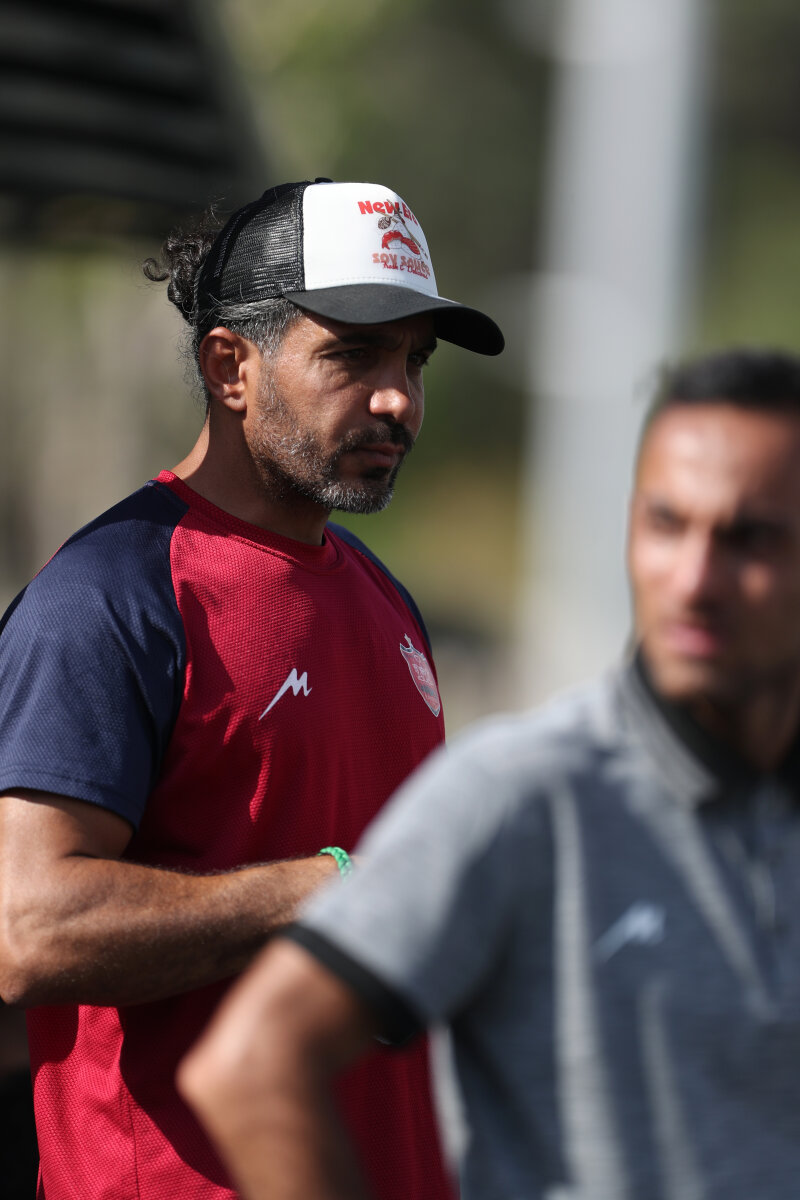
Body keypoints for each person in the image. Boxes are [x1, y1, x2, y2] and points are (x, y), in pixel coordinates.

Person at [180, 347, 800, 1200]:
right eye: (667, 524)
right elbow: (252, 1065)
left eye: (749, 539)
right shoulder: (521, 793)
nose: (694, 579)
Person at [0, 178, 504, 1200]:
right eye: (353, 356)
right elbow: (31, 929)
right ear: (229, 367)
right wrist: (318, 893)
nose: (398, 399)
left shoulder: (385, 599)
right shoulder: (113, 593)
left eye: (414, 360)